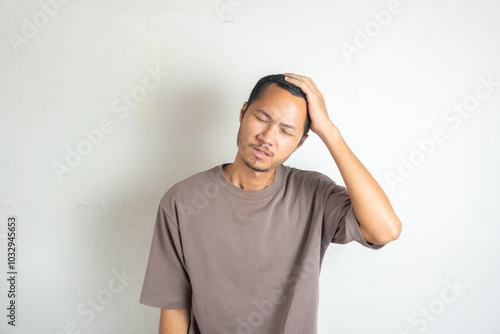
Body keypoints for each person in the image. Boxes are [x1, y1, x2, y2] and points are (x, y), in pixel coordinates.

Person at [139, 73, 402, 334]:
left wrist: (330, 132)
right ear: (243, 112)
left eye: (286, 131)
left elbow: (385, 230)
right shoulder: (182, 201)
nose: (267, 137)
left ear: (300, 143)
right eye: (262, 118)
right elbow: (174, 308)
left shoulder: (314, 194)